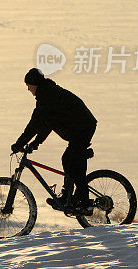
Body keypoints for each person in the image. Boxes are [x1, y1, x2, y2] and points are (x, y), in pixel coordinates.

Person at [11, 68, 97, 216]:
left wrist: (19, 144)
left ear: (34, 83)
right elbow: (47, 124)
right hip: (79, 128)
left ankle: (84, 204)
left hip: (83, 127)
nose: (28, 88)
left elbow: (34, 125)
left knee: (72, 161)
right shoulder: (47, 94)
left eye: (28, 85)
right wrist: (35, 143)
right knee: (69, 160)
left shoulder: (47, 96)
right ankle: (69, 198)